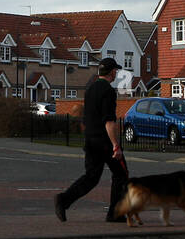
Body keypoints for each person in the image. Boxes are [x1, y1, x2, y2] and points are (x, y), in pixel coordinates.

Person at [55, 57, 129, 222]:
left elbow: (87, 116)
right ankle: (115, 213)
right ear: (112, 72)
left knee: (91, 177)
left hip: (90, 139)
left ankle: (64, 199)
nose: (116, 72)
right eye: (115, 70)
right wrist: (116, 146)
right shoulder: (108, 91)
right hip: (104, 142)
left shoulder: (90, 89)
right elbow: (109, 121)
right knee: (121, 174)